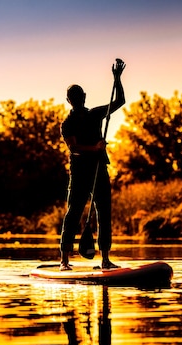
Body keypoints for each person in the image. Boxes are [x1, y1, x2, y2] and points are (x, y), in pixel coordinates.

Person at [59, 59, 126, 271]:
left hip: (99, 171)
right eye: (76, 97)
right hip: (80, 173)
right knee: (74, 213)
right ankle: (64, 261)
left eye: (79, 97)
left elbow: (119, 101)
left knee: (104, 213)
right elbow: (74, 148)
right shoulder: (67, 124)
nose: (79, 100)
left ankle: (105, 260)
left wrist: (117, 79)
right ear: (71, 100)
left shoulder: (96, 114)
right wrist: (96, 148)